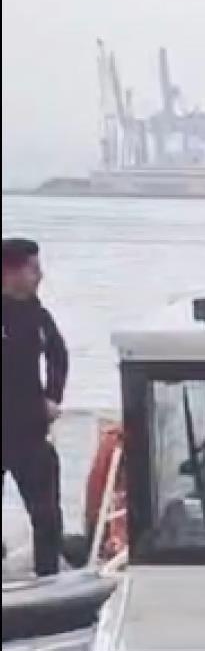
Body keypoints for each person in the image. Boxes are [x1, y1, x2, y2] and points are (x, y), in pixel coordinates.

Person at [1, 237, 69, 576]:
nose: (40, 276)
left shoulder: (37, 315)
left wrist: (53, 397)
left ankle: (49, 577)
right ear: (9, 273)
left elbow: (58, 355)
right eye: (33, 269)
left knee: (47, 515)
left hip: (29, 432)